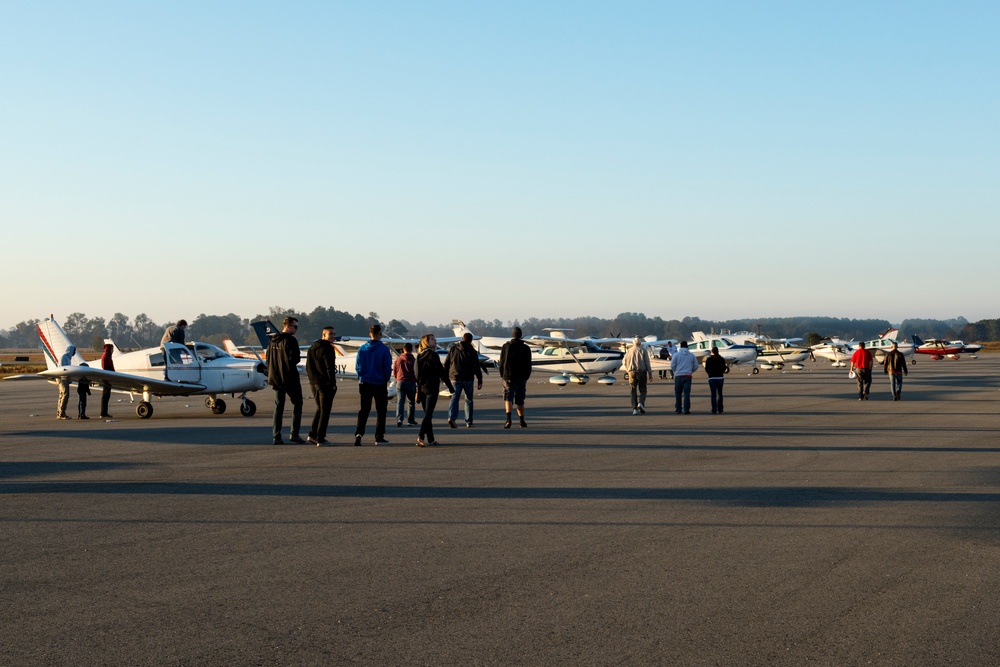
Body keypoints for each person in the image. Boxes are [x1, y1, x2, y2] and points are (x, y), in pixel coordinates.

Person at [267, 316, 305, 445]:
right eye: (295, 327)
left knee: (279, 406)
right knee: (297, 404)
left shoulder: (272, 341)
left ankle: (276, 436)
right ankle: (294, 433)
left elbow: (268, 359)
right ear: (288, 326)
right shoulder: (291, 340)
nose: (296, 330)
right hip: (289, 378)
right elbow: (295, 359)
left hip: (275, 378)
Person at [354, 323, 393, 446]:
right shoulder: (384, 349)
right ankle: (379, 436)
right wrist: (386, 378)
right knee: (381, 411)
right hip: (379, 383)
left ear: (369, 334)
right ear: (380, 334)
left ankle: (359, 433)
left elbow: (357, 366)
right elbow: (387, 366)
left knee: (364, 410)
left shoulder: (362, 349)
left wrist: (361, 377)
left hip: (365, 382)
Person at [414, 333, 454, 447]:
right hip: (432, 388)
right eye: (432, 339)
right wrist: (450, 387)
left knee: (428, 414)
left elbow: (416, 375)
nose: (435, 340)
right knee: (428, 415)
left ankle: (431, 439)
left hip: (422, 389)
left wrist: (417, 390)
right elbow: (441, 372)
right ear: (426, 342)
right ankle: (421, 436)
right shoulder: (433, 355)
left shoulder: (419, 356)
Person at [306, 326, 338, 446]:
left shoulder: (312, 348)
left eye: (334, 334)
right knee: (325, 411)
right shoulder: (328, 349)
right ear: (324, 335)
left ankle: (312, 434)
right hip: (324, 384)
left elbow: (308, 366)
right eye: (330, 334)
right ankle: (320, 438)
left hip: (313, 383)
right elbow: (330, 367)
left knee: (320, 409)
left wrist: (312, 379)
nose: (333, 336)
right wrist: (333, 383)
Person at [445, 333, 483, 428]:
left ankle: (451, 417)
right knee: (468, 400)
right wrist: (480, 379)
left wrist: (446, 376)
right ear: (470, 341)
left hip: (455, 377)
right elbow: (476, 366)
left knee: (454, 398)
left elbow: (447, 363)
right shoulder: (472, 351)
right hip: (468, 378)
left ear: (462, 339)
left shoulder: (453, 349)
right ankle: (468, 421)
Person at [499, 326, 532, 429]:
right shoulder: (526, 348)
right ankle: (522, 420)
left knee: (508, 398)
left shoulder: (506, 346)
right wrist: (526, 376)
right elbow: (528, 364)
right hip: (521, 377)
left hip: (508, 376)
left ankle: (508, 419)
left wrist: (502, 374)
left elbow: (501, 361)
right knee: (520, 400)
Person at [622, 336, 652, 415]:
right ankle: (641, 403)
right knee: (643, 390)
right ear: (640, 343)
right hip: (641, 372)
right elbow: (647, 362)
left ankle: (634, 409)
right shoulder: (643, 350)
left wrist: (627, 369)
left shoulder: (629, 350)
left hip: (631, 372)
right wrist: (650, 373)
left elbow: (624, 361)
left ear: (633, 343)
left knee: (633, 390)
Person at [392, 342, 418, 427]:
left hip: (400, 382)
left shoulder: (398, 360)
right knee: (411, 403)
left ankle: (399, 419)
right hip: (411, 382)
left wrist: (397, 378)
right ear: (411, 350)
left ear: (403, 349)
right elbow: (416, 372)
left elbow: (394, 371)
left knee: (400, 402)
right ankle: (410, 420)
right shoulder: (414, 360)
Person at [670, 340, 699, 414]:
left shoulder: (676, 355)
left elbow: (672, 365)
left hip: (678, 376)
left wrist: (676, 371)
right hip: (688, 375)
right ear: (687, 346)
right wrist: (691, 370)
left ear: (680, 346)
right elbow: (696, 365)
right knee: (687, 394)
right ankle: (686, 409)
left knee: (678, 393)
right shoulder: (691, 355)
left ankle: (678, 409)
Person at [704, 346, 727, 414]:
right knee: (720, 393)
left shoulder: (709, 359)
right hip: (720, 378)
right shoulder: (721, 359)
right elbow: (724, 367)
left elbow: (706, 368)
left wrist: (710, 374)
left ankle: (714, 409)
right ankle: (720, 408)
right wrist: (721, 372)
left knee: (713, 394)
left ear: (712, 351)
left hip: (712, 378)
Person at [55, 345, 76, 419]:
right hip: (62, 378)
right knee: (65, 394)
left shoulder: (68, 358)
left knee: (62, 395)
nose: (74, 352)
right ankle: (62, 413)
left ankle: (59, 412)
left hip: (65, 378)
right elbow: (63, 369)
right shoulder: (64, 357)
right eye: (74, 351)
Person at [99, 343, 115, 419]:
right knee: (105, 396)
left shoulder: (108, 356)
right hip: (106, 379)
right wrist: (109, 376)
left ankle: (104, 412)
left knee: (107, 396)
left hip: (108, 378)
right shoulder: (105, 356)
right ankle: (103, 413)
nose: (113, 350)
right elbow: (105, 368)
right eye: (112, 349)